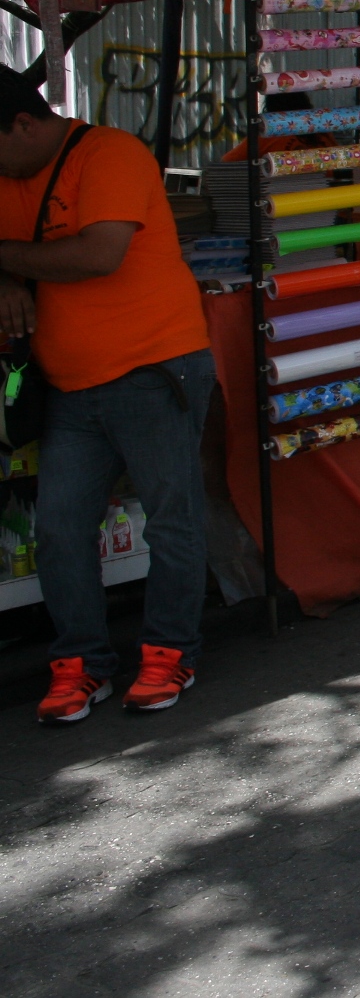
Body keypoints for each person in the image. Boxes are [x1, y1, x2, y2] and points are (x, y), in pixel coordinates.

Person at [0, 71, 217, 724]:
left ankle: (171, 651)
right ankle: (81, 665)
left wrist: (6, 259)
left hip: (154, 370)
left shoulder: (110, 154)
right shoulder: (11, 174)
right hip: (68, 386)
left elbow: (100, 255)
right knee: (60, 528)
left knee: (171, 517)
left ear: (23, 125)